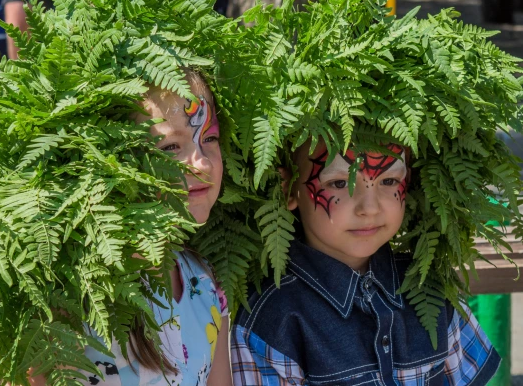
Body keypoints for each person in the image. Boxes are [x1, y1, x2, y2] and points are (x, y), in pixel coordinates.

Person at [230, 138, 501, 385]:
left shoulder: (429, 284)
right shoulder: (272, 321)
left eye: (389, 181)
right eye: (339, 183)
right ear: (288, 188)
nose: (369, 208)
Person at [28, 70, 232, 386]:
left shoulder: (205, 285)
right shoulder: (68, 304)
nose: (202, 163)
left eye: (209, 138)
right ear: (111, 162)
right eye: (170, 148)